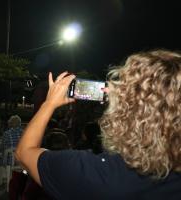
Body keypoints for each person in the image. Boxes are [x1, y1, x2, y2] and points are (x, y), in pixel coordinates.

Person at [15, 50, 181, 200]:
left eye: (122, 89)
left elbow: (24, 153)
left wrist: (49, 104)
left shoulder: (97, 174)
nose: (108, 91)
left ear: (129, 112)